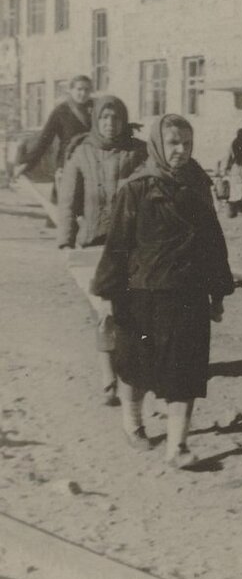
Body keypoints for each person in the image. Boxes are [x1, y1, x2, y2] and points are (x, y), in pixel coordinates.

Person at [92, 115, 235, 467]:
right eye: (173, 143)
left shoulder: (198, 184)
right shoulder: (136, 188)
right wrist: (109, 298)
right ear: (158, 144)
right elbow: (118, 247)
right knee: (136, 368)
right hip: (142, 295)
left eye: (186, 143)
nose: (181, 150)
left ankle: (178, 447)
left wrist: (217, 292)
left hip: (189, 295)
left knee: (185, 371)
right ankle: (133, 422)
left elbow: (213, 242)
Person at [57, 95, 147, 406]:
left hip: (130, 246)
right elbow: (68, 202)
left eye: (117, 118)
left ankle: (128, 369)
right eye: (105, 118)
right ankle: (109, 377)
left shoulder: (138, 152)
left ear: (124, 121)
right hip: (93, 245)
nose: (111, 124)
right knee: (104, 312)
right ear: (96, 120)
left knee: (127, 311)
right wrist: (65, 242)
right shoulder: (80, 153)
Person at [14, 75, 94, 194]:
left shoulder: (96, 108)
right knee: (66, 204)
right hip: (68, 162)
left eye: (87, 90)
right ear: (71, 90)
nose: (83, 93)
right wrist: (26, 163)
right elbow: (45, 139)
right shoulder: (61, 111)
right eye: (79, 89)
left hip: (92, 163)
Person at [221, 128, 242, 218]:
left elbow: (228, 157)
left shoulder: (233, 144)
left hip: (235, 169)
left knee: (235, 190)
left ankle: (234, 209)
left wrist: (225, 168)